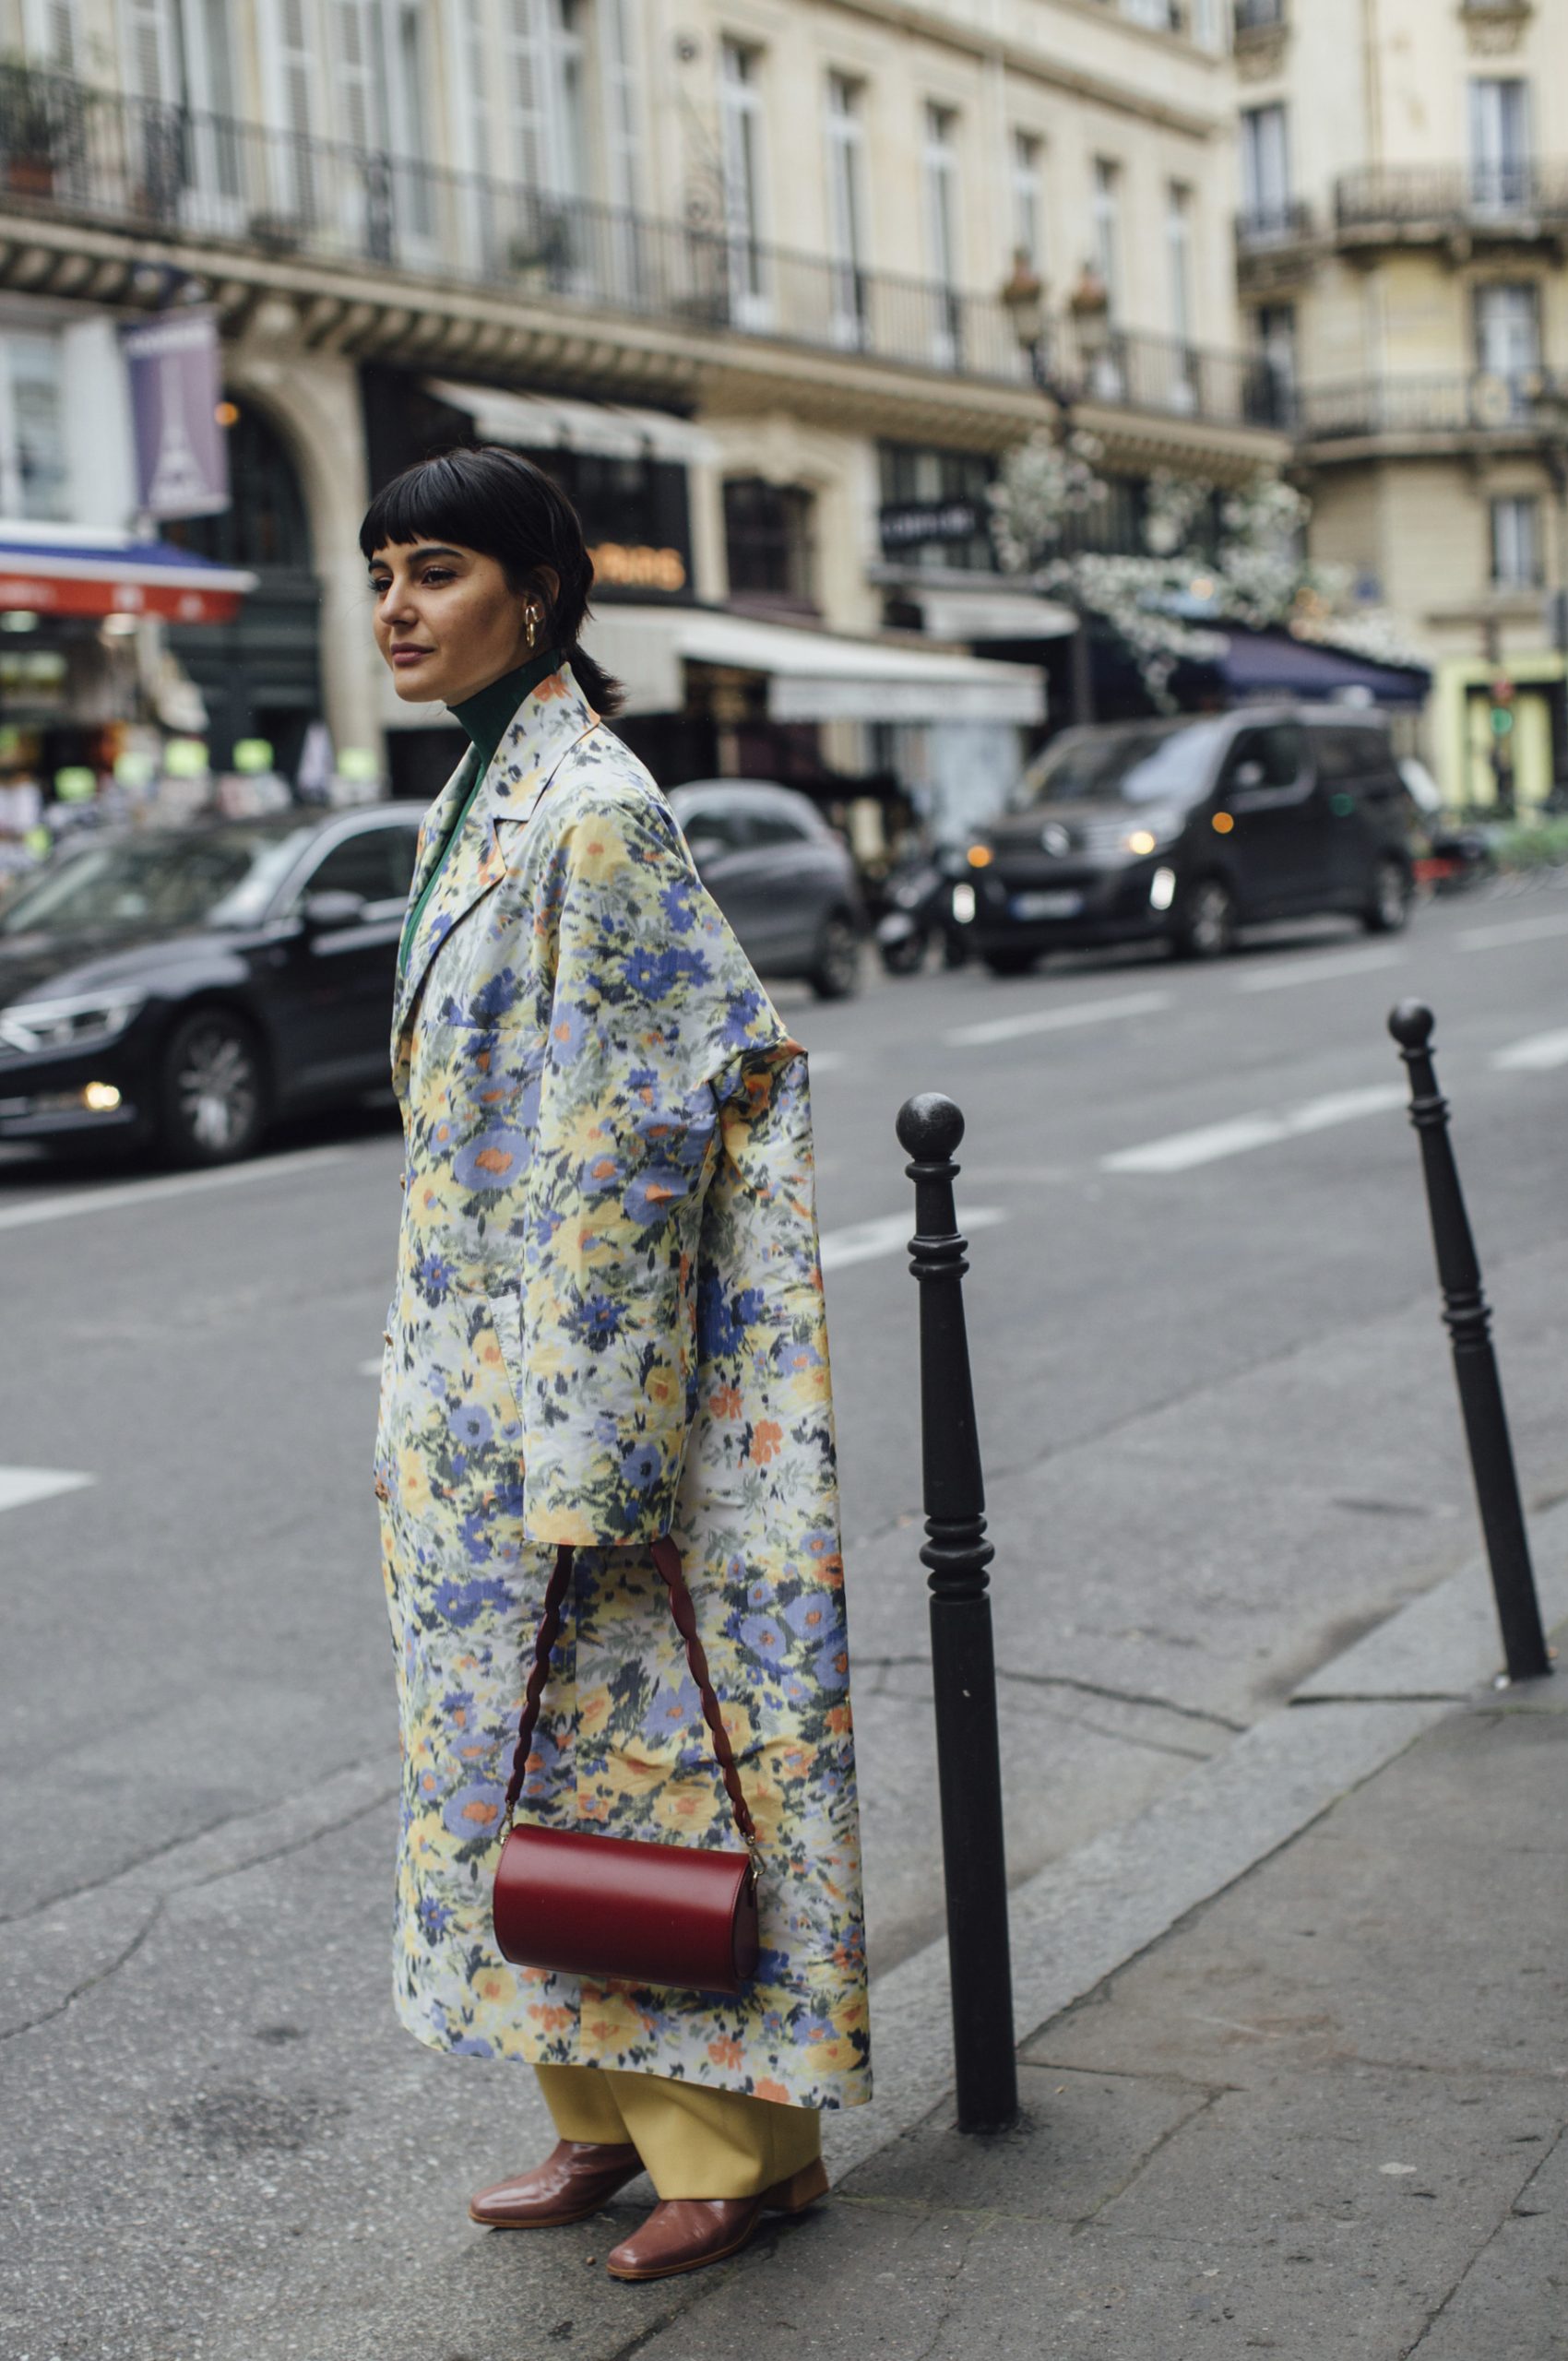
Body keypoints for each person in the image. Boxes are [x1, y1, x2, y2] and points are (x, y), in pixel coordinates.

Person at [364, 447, 871, 2286]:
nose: (398, 606)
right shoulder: (492, 780)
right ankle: (592, 2112)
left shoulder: (591, 807)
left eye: (435, 569)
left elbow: (633, 1135)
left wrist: (589, 1452)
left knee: (649, 1756)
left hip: (573, 1398)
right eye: (380, 574)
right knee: (530, 1764)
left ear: (540, 593)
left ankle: (730, 2145)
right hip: (478, 1374)